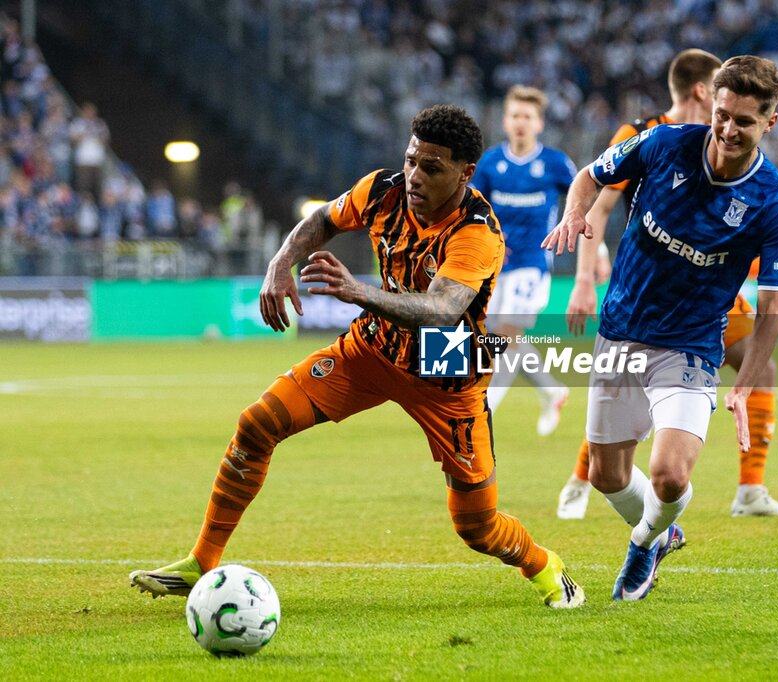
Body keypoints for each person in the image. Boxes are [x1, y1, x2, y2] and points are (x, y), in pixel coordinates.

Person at [129, 104, 585, 609]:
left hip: (447, 368)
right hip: (372, 348)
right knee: (258, 424)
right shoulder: (382, 189)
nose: (414, 175)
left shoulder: (477, 232)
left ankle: (545, 565)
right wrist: (281, 261)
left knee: (476, 527)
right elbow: (323, 219)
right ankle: (201, 562)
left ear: (464, 173)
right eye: (412, 159)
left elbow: (442, 310)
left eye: (431, 168)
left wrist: (358, 292)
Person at [542, 55, 778, 601]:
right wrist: (572, 216)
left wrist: (746, 383)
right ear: (713, 102)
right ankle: (662, 533)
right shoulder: (662, 144)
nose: (728, 130)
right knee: (608, 475)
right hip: (621, 329)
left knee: (669, 475)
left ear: (769, 123)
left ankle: (643, 545)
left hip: (690, 345)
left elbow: (774, 308)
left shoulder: (773, 203)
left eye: (744, 122)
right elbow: (591, 177)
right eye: (723, 115)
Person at [472, 85, 576, 436]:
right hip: (494, 264)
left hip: (533, 263)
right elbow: (473, 209)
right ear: (505, 120)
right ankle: (551, 389)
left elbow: (583, 199)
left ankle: (484, 412)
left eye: (527, 117)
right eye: (515, 115)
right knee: (502, 337)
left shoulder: (555, 164)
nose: (521, 122)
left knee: (504, 334)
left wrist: (598, 248)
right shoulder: (490, 163)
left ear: (539, 124)